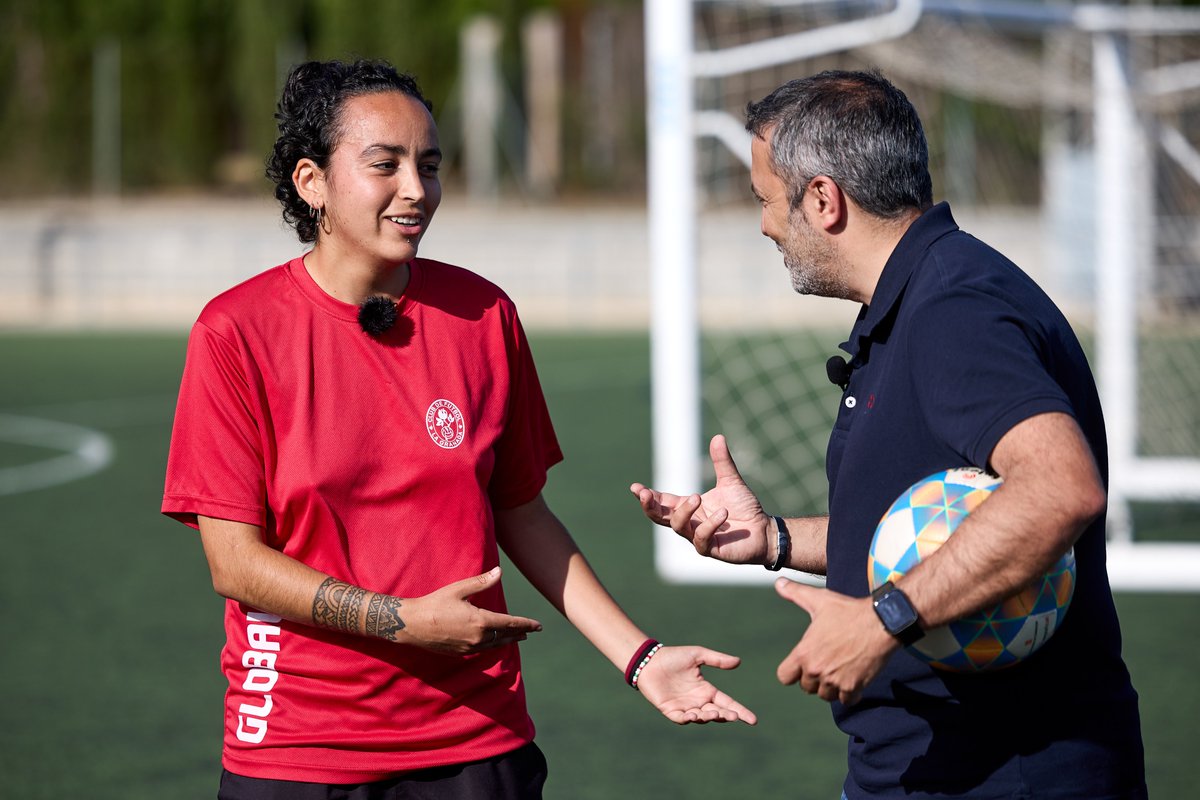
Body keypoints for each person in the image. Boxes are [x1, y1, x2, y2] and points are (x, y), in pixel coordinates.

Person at [162, 58, 755, 800]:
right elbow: (235, 564)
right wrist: (399, 621)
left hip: (478, 739)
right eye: (386, 164)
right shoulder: (236, 331)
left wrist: (640, 658)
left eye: (430, 165)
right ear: (312, 182)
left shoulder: (484, 315)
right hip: (300, 748)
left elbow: (522, 512)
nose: (417, 189)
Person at [631, 70, 1146, 799]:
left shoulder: (954, 309)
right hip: (921, 770)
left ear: (823, 199)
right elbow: (934, 526)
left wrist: (884, 620)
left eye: (765, 200)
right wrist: (774, 539)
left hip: (1006, 775)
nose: (765, 225)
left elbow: (1061, 489)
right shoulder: (918, 296)